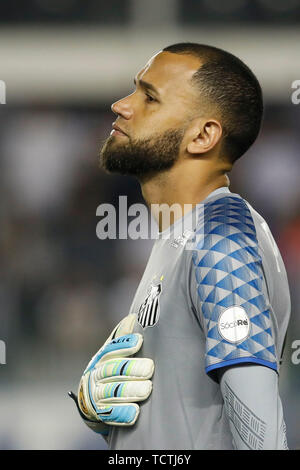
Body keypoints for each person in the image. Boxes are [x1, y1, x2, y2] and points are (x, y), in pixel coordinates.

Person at [69, 43, 290, 450]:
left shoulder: (223, 240)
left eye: (149, 97)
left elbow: (261, 437)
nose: (121, 105)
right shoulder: (182, 238)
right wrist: (102, 417)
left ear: (203, 136)